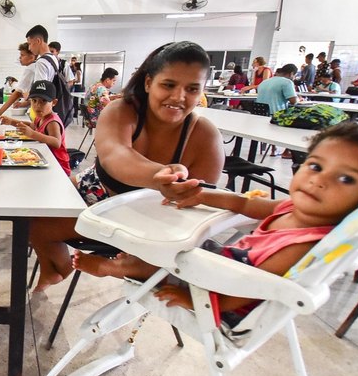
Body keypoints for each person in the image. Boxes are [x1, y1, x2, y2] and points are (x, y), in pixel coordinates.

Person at [73, 123, 358, 325]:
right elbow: (243, 203)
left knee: (171, 256)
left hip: (227, 298)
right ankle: (132, 261)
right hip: (229, 266)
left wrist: (193, 300)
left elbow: (252, 287)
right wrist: (200, 196)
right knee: (183, 245)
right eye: (315, 165)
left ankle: (115, 267)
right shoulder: (290, 206)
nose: (319, 180)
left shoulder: (303, 244)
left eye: (346, 179)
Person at [30, 41, 224, 292]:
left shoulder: (204, 135)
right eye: (168, 85)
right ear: (148, 83)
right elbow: (115, 156)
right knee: (33, 218)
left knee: (180, 256)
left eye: (192, 88)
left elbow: (199, 210)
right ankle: (57, 268)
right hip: (98, 197)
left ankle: (116, 267)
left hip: (154, 221)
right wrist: (158, 176)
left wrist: (183, 195)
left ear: (202, 92)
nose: (179, 97)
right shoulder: (121, 110)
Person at [0, 80, 70, 175]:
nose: (38, 105)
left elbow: (56, 142)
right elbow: (31, 126)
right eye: (34, 101)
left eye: (43, 101)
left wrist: (32, 134)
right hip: (45, 160)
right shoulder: (40, 117)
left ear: (54, 102)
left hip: (58, 168)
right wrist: (11, 122)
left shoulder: (52, 122)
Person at [0, 43, 36, 118]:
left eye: (22, 55)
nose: (20, 58)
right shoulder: (37, 66)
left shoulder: (30, 69)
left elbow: (18, 93)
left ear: (31, 57)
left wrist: (0, 111)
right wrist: (23, 103)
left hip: (35, 111)